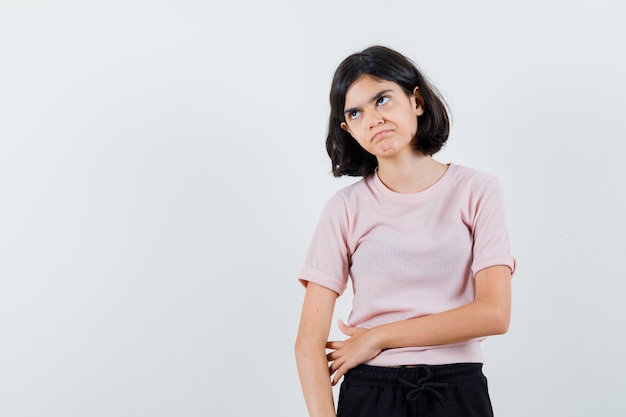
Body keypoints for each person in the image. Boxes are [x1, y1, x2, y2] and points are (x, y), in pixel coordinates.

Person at [294, 45, 516, 417]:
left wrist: (380, 336)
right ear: (347, 129)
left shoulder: (478, 191)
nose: (373, 119)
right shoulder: (345, 208)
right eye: (355, 112)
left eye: (382, 99)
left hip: (458, 391)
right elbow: (308, 343)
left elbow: (494, 314)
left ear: (416, 100)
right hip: (371, 393)